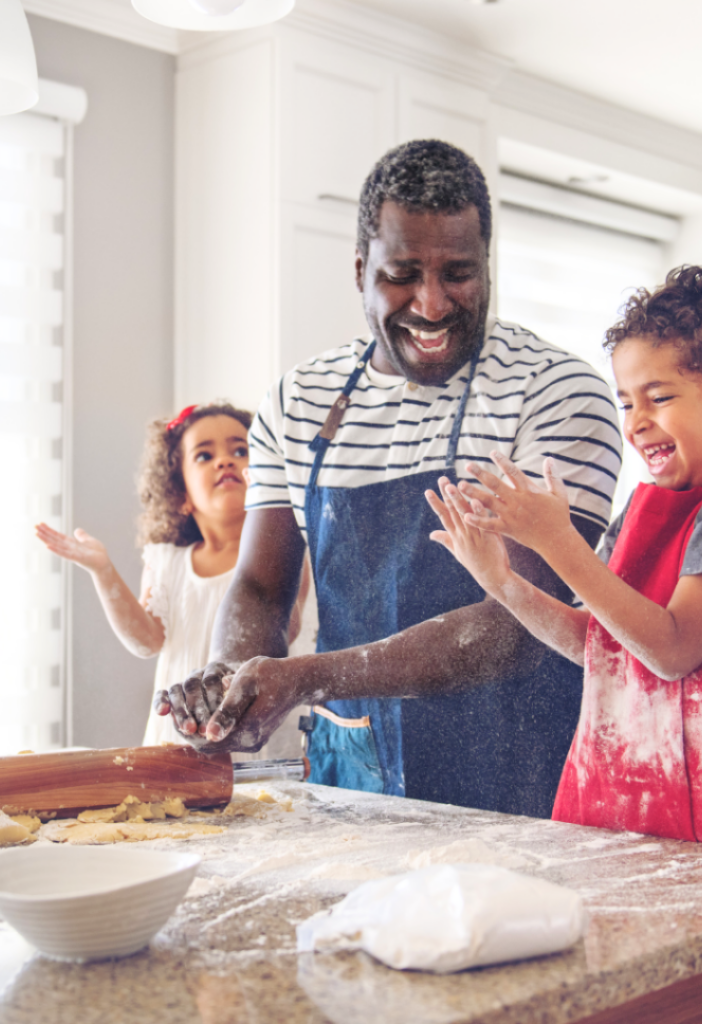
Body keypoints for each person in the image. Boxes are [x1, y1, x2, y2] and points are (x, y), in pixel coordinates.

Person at [156, 139, 622, 818]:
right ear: (359, 270)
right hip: (351, 782)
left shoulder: (554, 391)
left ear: (488, 267)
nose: (432, 304)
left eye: (458, 273)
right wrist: (231, 684)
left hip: (520, 777)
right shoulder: (299, 400)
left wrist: (307, 678)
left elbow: (519, 622)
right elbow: (260, 585)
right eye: (402, 273)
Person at [427, 264, 702, 851]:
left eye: (659, 398)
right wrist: (504, 582)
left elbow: (671, 649)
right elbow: (600, 650)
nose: (636, 424)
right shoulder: (642, 509)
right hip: (634, 806)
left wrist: (558, 542)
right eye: (626, 403)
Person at [35, 402, 308, 748]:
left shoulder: (289, 547)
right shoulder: (166, 562)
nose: (226, 460)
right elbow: (146, 641)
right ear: (180, 496)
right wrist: (103, 571)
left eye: (241, 450)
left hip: (254, 736)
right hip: (180, 735)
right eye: (204, 456)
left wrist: (281, 511)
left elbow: (287, 628)